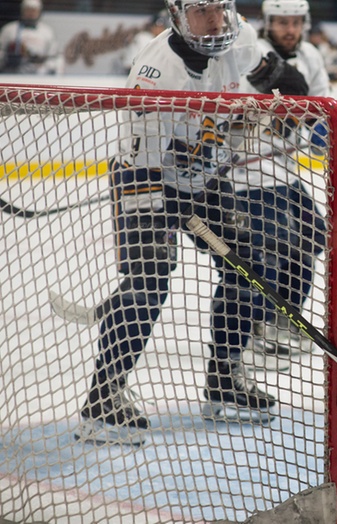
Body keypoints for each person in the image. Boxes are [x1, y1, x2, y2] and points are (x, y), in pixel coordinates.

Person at [76, 0, 311, 445]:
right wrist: (172, 209)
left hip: (205, 177)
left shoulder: (238, 39)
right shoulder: (157, 72)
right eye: (203, 11)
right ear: (178, 15)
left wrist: (282, 107)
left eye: (222, 8)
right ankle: (102, 399)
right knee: (150, 280)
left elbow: (285, 81)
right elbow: (145, 164)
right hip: (144, 178)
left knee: (245, 264)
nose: (217, 21)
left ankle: (223, 381)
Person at [238, 0, 329, 359]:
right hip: (247, 172)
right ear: (267, 23)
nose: (289, 29)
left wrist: (321, 128)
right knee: (272, 247)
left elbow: (322, 103)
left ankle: (284, 318)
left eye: (294, 22)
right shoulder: (253, 54)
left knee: (313, 236)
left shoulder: (310, 55)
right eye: (281, 22)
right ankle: (259, 326)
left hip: (284, 173)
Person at [0, 0, 62, 75]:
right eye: (27, 10)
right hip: (13, 74)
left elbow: (55, 57)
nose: (31, 13)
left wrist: (44, 67)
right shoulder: (9, 30)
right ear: (22, 11)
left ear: (39, 12)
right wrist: (9, 56)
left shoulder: (47, 32)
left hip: (39, 76)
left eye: (34, 10)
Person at [114, 10, 170, 76]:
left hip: (137, 70)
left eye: (162, 27)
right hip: (133, 71)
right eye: (157, 27)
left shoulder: (146, 37)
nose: (160, 29)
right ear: (152, 27)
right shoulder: (144, 38)